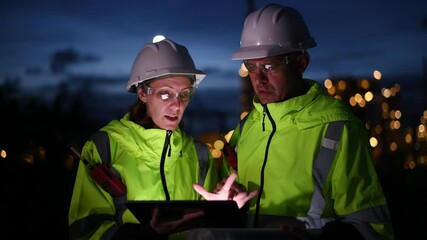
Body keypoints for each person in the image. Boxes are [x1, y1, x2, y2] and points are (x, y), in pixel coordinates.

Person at [226, 3, 394, 240]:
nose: (258, 78)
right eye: (251, 66)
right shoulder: (246, 128)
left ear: (301, 63)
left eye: (269, 66)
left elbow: (371, 228)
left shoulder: (338, 127)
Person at [68, 39, 257, 240]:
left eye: (184, 95)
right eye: (165, 94)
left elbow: (209, 230)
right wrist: (147, 236)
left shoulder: (199, 154)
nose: (177, 105)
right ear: (142, 93)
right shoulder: (103, 148)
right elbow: (86, 231)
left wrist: (224, 209)